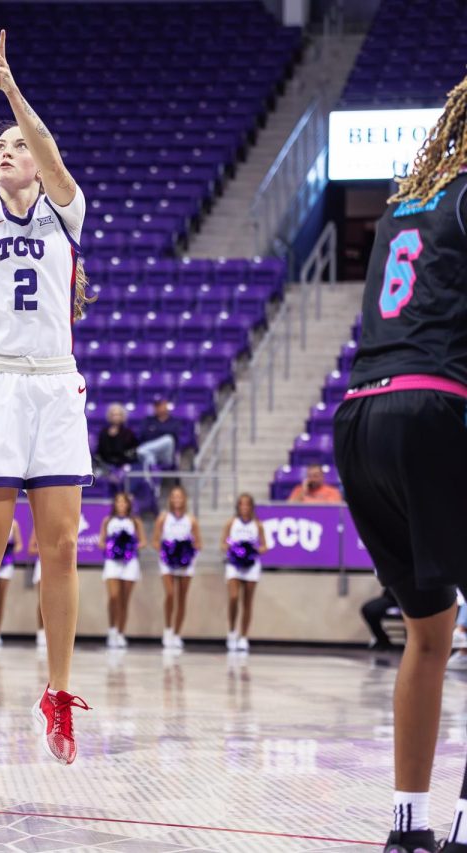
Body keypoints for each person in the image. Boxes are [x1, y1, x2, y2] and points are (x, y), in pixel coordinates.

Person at [0, 30, 93, 763]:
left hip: (56, 381)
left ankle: (57, 694)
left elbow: (51, 151)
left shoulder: (67, 209)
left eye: (14, 145)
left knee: (60, 546)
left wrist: (12, 90)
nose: (5, 151)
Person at [330, 72, 467, 853]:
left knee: (430, 626)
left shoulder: (400, 206)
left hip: (359, 416)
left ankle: (408, 825)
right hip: (430, 409)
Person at [153, 485, 202, 650]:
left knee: (182, 598)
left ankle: (177, 633)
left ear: (184, 499)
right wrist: (168, 551)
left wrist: (187, 553)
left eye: (179, 496)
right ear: (170, 499)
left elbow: (198, 542)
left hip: (186, 562)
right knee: (170, 594)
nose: (177, 499)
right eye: (174, 496)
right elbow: (155, 541)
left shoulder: (191, 519)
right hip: (167, 561)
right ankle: (167, 630)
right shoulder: (163, 518)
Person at [222, 494, 269, 653]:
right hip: (234, 564)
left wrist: (253, 550)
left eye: (247, 504)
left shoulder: (258, 525)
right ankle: (232, 631)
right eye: (241, 504)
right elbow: (224, 542)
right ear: (238, 506)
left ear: (251, 507)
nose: (244, 507)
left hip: (251, 565)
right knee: (234, 597)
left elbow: (264, 546)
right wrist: (234, 548)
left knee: (247, 602)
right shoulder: (231, 523)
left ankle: (243, 637)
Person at [101, 492, 145, 649]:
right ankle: (111, 629)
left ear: (128, 504)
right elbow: (101, 542)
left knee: (124, 600)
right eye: (118, 501)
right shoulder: (108, 520)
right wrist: (114, 545)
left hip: (130, 562)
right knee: (113, 597)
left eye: (123, 502)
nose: (121, 504)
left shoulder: (134, 521)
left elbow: (143, 542)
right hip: (112, 562)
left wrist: (129, 546)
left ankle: (121, 633)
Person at [0, 518, 23, 648]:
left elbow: (19, 544)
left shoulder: (14, 524)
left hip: (6, 564)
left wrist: (11, 550)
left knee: (0, 600)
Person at [135, 399, 181, 472]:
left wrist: (155, 431)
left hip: (166, 455)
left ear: (166, 405)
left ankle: (141, 451)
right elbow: (142, 436)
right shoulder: (147, 420)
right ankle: (154, 476)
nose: (158, 408)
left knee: (168, 439)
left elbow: (176, 440)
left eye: (160, 405)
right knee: (148, 456)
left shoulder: (174, 421)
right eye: (156, 406)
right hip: (151, 452)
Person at [96, 404, 139, 474]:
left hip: (124, 464)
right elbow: (101, 452)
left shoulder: (128, 432)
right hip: (106, 465)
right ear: (109, 416)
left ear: (122, 416)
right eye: (113, 415)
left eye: (118, 414)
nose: (116, 417)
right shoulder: (103, 432)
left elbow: (132, 451)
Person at [361, 587, 401, 651]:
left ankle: (413, 645)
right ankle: (383, 642)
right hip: (392, 597)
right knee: (369, 609)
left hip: (413, 596)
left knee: (411, 612)